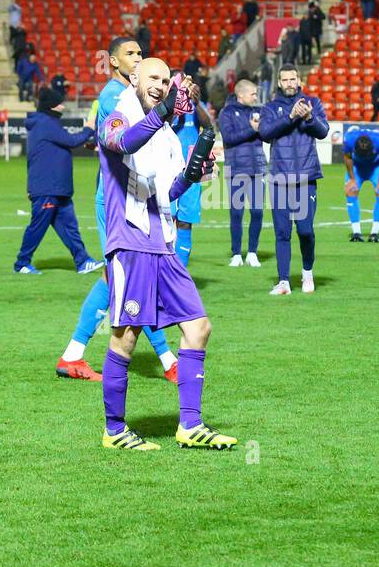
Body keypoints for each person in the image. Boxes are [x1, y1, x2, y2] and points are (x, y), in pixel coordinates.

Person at [96, 57, 234, 452]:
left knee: (199, 327)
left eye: (163, 79)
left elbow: (165, 193)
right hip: (131, 245)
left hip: (164, 243)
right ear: (134, 78)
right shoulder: (117, 113)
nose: (158, 84)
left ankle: (190, 425)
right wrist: (163, 110)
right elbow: (121, 143)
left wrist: (192, 174)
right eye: (152, 78)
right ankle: (115, 430)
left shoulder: (166, 134)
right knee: (125, 336)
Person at [57, 37, 177, 382]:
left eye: (141, 53)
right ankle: (168, 361)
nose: (138, 59)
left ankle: (73, 354)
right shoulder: (116, 96)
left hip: (137, 196)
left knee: (121, 278)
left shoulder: (136, 93)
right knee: (129, 278)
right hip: (118, 199)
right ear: (112, 61)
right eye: (130, 54)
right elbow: (132, 139)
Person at [14, 87, 103, 276]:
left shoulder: (46, 122)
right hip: (47, 188)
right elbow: (71, 141)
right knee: (38, 227)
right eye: (60, 102)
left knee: (70, 228)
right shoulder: (45, 123)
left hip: (57, 189)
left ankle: (83, 261)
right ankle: (22, 263)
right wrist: (89, 128)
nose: (63, 106)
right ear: (52, 106)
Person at [260, 65, 329, 295]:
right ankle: (283, 282)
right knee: (282, 232)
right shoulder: (270, 108)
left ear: (299, 80)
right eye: (285, 79)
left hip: (306, 177)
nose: (289, 83)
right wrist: (290, 117)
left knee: (305, 230)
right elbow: (266, 133)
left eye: (293, 79)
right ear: (279, 83)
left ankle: (307, 273)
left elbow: (323, 131)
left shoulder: (313, 103)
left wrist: (309, 117)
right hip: (280, 177)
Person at [219, 79, 265, 268]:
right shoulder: (226, 113)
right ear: (241, 94)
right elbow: (229, 138)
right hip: (236, 170)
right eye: (253, 93)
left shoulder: (259, 111)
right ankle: (237, 253)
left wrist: (261, 129)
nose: (255, 97)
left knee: (257, 212)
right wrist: (252, 129)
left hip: (257, 169)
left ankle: (252, 253)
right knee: (237, 214)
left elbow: (266, 135)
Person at [170, 82, 213, 270]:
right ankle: (162, 273)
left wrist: (196, 103)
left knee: (185, 223)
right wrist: (175, 101)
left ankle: (180, 274)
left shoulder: (194, 105)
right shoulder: (162, 105)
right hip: (166, 172)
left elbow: (209, 126)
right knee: (166, 222)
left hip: (191, 172)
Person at [342, 127, 379, 242]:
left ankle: (375, 233)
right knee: (351, 192)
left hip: (376, 167)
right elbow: (347, 158)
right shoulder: (349, 139)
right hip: (357, 167)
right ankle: (356, 233)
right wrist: (352, 179)